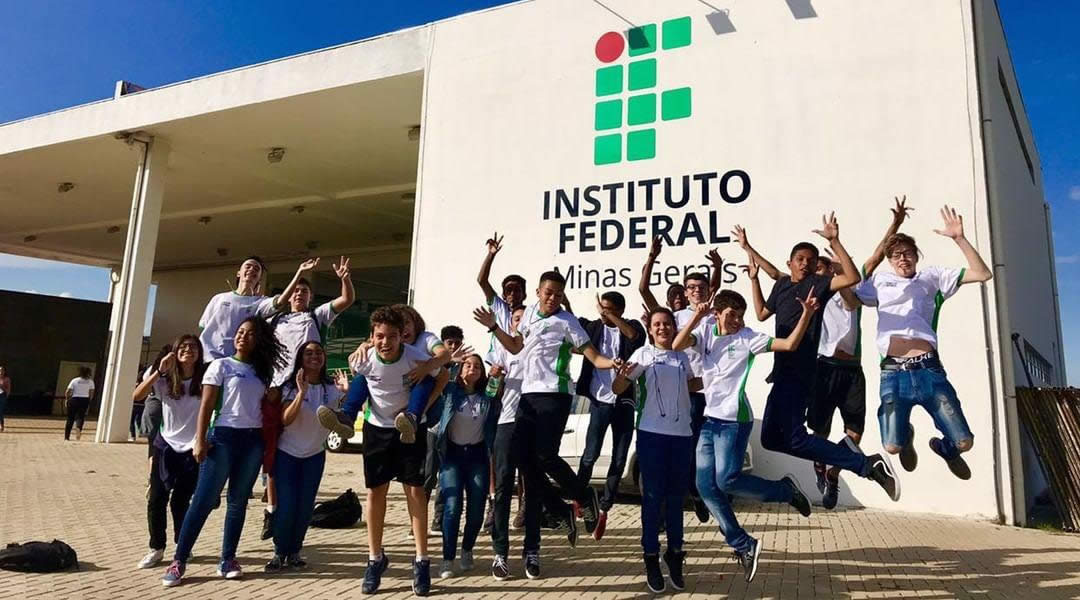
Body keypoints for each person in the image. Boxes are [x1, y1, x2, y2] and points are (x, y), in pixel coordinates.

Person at [735, 215, 901, 503]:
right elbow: (761, 313)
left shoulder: (819, 285)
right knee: (770, 439)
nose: (805, 263)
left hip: (801, 374)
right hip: (781, 373)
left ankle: (867, 465)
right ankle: (806, 480)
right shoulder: (782, 285)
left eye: (810, 260)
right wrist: (752, 272)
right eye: (800, 259)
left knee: (796, 437)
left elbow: (852, 278)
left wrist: (834, 241)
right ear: (790, 262)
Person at [473, 269, 617, 580]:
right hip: (523, 405)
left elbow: (593, 356)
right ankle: (502, 552)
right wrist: (494, 328)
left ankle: (579, 499)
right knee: (519, 480)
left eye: (558, 294)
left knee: (544, 458)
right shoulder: (523, 324)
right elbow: (513, 348)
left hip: (555, 395)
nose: (552, 298)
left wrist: (613, 363)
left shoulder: (567, 322)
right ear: (538, 293)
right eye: (548, 292)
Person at [672, 289, 816, 583]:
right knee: (704, 486)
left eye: (740, 315)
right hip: (710, 421)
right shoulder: (705, 333)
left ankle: (786, 491)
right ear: (717, 314)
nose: (737, 321)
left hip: (735, 420)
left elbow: (789, 344)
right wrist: (697, 316)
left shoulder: (748, 338)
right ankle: (743, 544)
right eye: (731, 315)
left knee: (727, 480)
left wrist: (807, 314)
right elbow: (676, 344)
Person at [849, 204, 992, 480]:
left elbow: (982, 274)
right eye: (896, 255)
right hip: (893, 373)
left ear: (916, 256)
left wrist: (959, 238)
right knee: (892, 446)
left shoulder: (932, 278)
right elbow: (853, 295)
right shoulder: (879, 282)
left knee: (965, 442)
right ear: (890, 261)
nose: (902, 259)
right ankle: (906, 436)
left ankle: (946, 450)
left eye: (907, 253)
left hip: (929, 370)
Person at [161, 317, 286, 587]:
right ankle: (179, 560)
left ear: (259, 340)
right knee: (203, 501)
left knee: (238, 502)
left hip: (253, 441)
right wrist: (199, 440)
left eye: (250, 334)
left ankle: (228, 559)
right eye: (240, 332)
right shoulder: (221, 365)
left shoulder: (263, 371)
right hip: (222, 438)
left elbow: (267, 403)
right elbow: (206, 406)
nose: (242, 336)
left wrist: (274, 395)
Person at [805, 198, 911, 507]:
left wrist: (896, 224)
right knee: (819, 432)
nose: (825, 271)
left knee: (854, 434)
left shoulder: (856, 286)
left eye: (828, 265)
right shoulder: (815, 295)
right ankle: (819, 464)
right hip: (824, 368)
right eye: (820, 268)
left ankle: (833, 473)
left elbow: (877, 255)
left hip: (852, 369)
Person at [262, 257, 354, 539]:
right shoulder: (274, 319)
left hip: (309, 388)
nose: (299, 294)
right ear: (288, 296)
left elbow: (347, 300)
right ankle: (271, 510)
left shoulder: (316, 316)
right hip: (279, 388)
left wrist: (345, 279)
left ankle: (287, 522)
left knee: (300, 443)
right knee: (273, 450)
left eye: (304, 291)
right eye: (296, 291)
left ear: (311, 297)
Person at [612, 307, 700, 593]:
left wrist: (723, 373)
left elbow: (691, 386)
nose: (663, 328)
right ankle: (650, 556)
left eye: (667, 323)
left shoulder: (682, 357)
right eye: (657, 324)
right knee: (652, 498)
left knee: (676, 499)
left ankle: (674, 553)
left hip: (682, 436)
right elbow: (617, 388)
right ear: (650, 329)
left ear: (674, 327)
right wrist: (622, 376)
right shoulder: (642, 355)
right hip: (652, 435)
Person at [350, 306, 435, 596]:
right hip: (377, 428)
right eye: (380, 336)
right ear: (372, 337)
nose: (385, 342)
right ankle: (375, 558)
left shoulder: (415, 356)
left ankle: (421, 560)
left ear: (402, 337)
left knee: (415, 491)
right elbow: (357, 379)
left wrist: (423, 402)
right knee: (376, 492)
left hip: (409, 427)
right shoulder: (365, 357)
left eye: (392, 336)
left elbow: (439, 374)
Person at [639, 235, 725, 522]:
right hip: (682, 392)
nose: (696, 291)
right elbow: (644, 290)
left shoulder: (715, 314)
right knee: (682, 450)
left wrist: (718, 268)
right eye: (691, 288)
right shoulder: (675, 318)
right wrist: (651, 257)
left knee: (704, 451)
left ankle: (699, 493)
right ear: (685, 292)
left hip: (709, 391)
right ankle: (684, 500)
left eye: (701, 287)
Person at [264, 341, 343, 572]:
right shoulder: (290, 386)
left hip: (314, 455)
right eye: (308, 353)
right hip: (287, 454)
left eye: (319, 352)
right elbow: (286, 419)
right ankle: (279, 552)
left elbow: (342, 421)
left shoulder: (332, 388)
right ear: (300, 359)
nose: (314, 356)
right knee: (287, 505)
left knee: (305, 507)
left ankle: (295, 552)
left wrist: (346, 393)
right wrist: (302, 393)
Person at [573, 291, 645, 540]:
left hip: (623, 401)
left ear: (620, 311)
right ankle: (579, 498)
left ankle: (604, 508)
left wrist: (612, 317)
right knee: (590, 454)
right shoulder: (593, 328)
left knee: (619, 457)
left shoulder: (632, 327)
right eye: (601, 308)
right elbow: (571, 322)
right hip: (599, 401)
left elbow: (635, 336)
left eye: (609, 309)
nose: (603, 313)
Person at [132, 335, 206, 570]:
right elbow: (137, 396)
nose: (188, 350)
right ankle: (156, 547)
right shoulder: (164, 381)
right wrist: (159, 371)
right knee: (156, 498)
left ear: (199, 353)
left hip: (192, 448)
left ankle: (182, 545)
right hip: (165, 446)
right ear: (175, 352)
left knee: (180, 501)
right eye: (183, 347)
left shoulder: (205, 380)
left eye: (193, 347)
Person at [433, 354, 498, 579]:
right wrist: (451, 362)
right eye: (468, 365)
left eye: (477, 366)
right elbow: (442, 378)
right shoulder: (451, 391)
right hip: (452, 456)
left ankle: (467, 548)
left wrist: (496, 375)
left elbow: (496, 389)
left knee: (476, 509)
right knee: (452, 506)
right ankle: (447, 559)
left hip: (478, 456)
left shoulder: (486, 395)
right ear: (460, 370)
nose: (473, 368)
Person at [198, 256, 316, 362]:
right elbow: (203, 327)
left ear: (259, 279)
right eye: (248, 266)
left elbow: (280, 302)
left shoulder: (260, 303)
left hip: (234, 363)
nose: (251, 270)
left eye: (256, 269)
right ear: (239, 273)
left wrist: (299, 272)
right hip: (207, 359)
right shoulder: (219, 298)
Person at [64, 367, 95, 441]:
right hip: (84, 400)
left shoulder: (75, 380)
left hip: (74, 399)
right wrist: (89, 400)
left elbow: (68, 391)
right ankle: (78, 428)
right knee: (80, 417)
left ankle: (67, 437)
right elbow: (91, 393)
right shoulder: (90, 382)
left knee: (70, 418)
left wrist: (67, 399)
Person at [0, 365, 10, 433]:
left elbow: (8, 388)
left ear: (4, 371)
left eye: (2, 370)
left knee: (0, 411)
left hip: (2, 395)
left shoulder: (7, 379)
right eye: (0, 370)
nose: (1, 371)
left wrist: (6, 395)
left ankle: (1, 425)